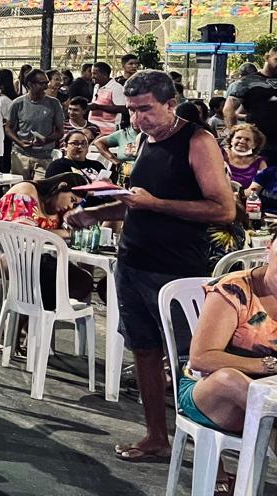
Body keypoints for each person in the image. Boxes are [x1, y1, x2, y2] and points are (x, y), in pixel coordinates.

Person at [65, 69, 234, 463]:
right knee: (143, 350)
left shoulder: (197, 141)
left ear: (170, 104)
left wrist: (154, 204)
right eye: (132, 110)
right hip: (133, 262)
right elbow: (135, 202)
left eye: (145, 109)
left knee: (191, 361)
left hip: (176, 270)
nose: (138, 118)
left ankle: (215, 460)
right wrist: (95, 213)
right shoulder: (144, 139)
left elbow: (223, 209)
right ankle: (157, 435)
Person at [179, 239, 277, 449]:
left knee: (268, 417)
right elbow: (201, 358)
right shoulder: (234, 289)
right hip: (210, 391)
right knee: (229, 379)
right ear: (269, 248)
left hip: (269, 395)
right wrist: (267, 365)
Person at [0, 173, 92, 348]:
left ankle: (29, 326)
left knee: (79, 279)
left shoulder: (58, 209)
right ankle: (22, 332)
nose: (71, 205)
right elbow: (23, 235)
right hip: (0, 253)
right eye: (71, 199)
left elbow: (62, 233)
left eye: (75, 204)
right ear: (60, 187)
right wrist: (63, 233)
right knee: (47, 273)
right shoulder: (26, 192)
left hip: (34, 258)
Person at [5, 69, 64, 179]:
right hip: (20, 155)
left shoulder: (54, 103)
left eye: (47, 83)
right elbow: (8, 128)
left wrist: (45, 140)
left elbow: (60, 132)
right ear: (30, 84)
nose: (46, 87)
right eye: (42, 83)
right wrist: (20, 142)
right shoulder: (18, 103)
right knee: (20, 187)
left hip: (45, 156)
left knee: (41, 186)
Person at [225, 47, 277, 164]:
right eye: (276, 60)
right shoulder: (247, 82)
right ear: (267, 57)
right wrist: (234, 135)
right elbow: (228, 109)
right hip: (257, 143)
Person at [87, 62, 127, 137]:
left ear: (105, 75)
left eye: (95, 73)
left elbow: (122, 109)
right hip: (93, 128)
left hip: (108, 131)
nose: (92, 76)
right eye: (92, 73)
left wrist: (98, 106)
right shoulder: (96, 86)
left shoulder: (116, 88)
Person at [224, 124, 266, 189]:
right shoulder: (219, 153)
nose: (242, 141)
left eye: (247, 139)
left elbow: (256, 189)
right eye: (238, 138)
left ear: (254, 145)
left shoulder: (260, 163)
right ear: (231, 140)